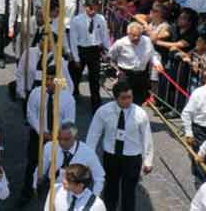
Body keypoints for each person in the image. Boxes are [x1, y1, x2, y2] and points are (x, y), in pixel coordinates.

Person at [86, 80, 153, 211]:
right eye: (124, 98)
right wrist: (88, 159)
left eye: (130, 97)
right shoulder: (103, 112)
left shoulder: (140, 114)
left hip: (132, 157)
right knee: (110, 190)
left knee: (129, 193)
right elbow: (93, 135)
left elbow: (147, 138)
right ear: (116, 98)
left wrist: (148, 160)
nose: (128, 101)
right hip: (111, 156)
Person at [23, 74, 75, 200]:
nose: (50, 82)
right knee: (33, 162)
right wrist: (42, 132)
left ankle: (57, 194)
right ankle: (27, 192)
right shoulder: (36, 93)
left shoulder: (67, 98)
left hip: (59, 137)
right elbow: (31, 114)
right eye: (47, 78)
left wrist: (58, 135)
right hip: (39, 134)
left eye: (53, 79)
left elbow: (70, 120)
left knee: (59, 164)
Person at [38, 123, 104, 198]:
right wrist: (35, 184)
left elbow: (99, 177)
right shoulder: (50, 146)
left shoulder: (88, 153)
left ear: (75, 137)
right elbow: (41, 168)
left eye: (66, 139)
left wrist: (94, 198)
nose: (62, 142)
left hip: (76, 195)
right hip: (53, 191)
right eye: (59, 138)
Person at [67, 0, 108, 109]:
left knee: (94, 78)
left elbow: (104, 36)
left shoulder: (101, 19)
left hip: (94, 51)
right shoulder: (77, 20)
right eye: (90, 8)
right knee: (75, 76)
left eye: (95, 9)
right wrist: (76, 58)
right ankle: (72, 95)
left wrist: (107, 51)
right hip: (81, 50)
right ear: (85, 8)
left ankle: (96, 102)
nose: (93, 11)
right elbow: (73, 40)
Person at [108, 22, 158, 104]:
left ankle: (134, 116)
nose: (136, 38)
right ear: (128, 34)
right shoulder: (120, 43)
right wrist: (117, 71)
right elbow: (111, 56)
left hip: (141, 75)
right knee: (124, 100)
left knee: (139, 101)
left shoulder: (147, 41)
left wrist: (157, 63)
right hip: (125, 74)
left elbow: (153, 54)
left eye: (139, 35)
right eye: (133, 35)